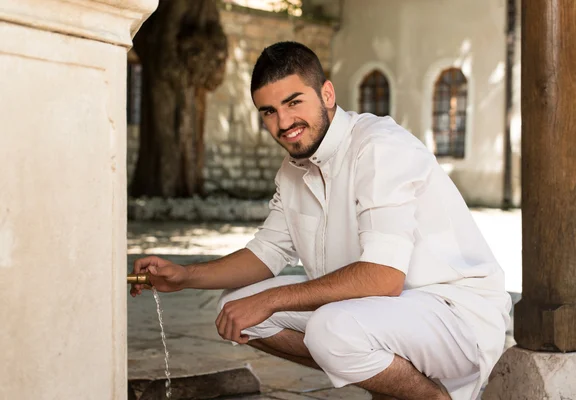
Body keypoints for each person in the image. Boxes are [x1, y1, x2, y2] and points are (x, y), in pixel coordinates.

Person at [130, 41, 511, 400]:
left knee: (331, 328)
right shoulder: (293, 170)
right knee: (236, 308)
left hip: (454, 314)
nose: (284, 122)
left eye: (294, 102)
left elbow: (383, 276)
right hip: (383, 313)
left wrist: (273, 298)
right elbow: (266, 254)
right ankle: (391, 380)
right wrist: (185, 276)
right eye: (269, 111)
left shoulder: (379, 146)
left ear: (327, 95)